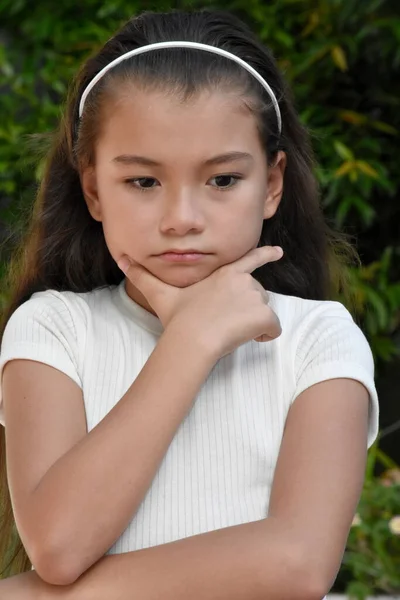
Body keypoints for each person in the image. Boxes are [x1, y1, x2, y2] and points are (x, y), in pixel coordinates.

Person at [0, 7, 378, 599]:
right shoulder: (52, 330)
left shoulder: (318, 339)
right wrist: (190, 342)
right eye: (144, 182)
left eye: (223, 180)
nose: (182, 220)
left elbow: (297, 564)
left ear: (272, 184)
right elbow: (60, 544)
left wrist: (35, 598)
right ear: (94, 187)